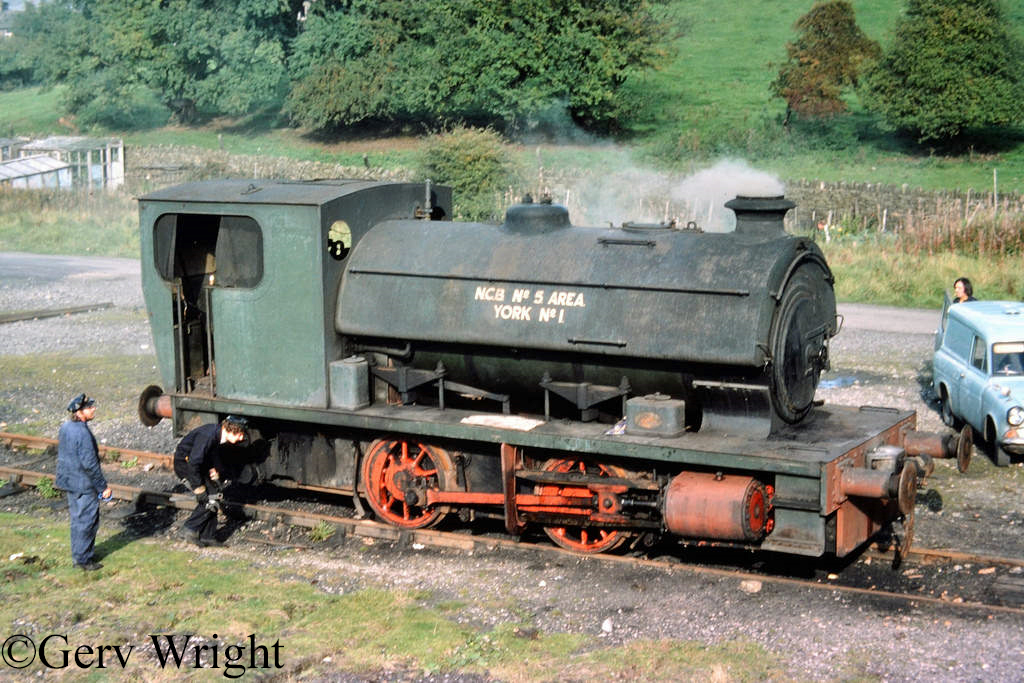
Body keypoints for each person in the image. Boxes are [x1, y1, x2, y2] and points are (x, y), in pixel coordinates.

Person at [56, 393, 112, 571]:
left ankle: (79, 554)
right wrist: (103, 487)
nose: (93, 409)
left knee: (77, 519)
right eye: (89, 407)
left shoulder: (66, 427)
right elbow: (90, 464)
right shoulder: (83, 433)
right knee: (87, 521)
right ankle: (83, 560)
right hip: (83, 483)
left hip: (69, 480)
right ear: (79, 412)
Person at [173, 416, 248, 546]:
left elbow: (209, 453)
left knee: (215, 495)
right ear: (231, 431)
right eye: (240, 435)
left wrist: (212, 468)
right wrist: (198, 488)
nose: (242, 438)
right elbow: (193, 463)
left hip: (198, 465)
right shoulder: (207, 436)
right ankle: (189, 529)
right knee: (208, 499)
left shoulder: (217, 435)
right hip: (185, 466)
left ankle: (207, 536)